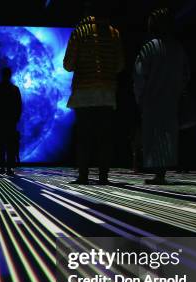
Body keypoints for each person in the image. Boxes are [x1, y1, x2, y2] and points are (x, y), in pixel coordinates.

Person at [63, 1, 124, 185]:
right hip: (106, 91)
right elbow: (120, 65)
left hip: (84, 92)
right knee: (105, 136)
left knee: (84, 136)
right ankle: (103, 176)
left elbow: (68, 65)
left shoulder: (79, 32)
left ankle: (83, 175)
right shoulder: (114, 33)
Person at [134, 8, 190, 184]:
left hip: (152, 100)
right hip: (171, 100)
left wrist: (140, 98)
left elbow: (139, 75)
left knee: (154, 135)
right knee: (167, 136)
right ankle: (162, 173)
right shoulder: (178, 48)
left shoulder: (150, 47)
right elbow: (186, 75)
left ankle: (158, 174)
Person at [0, 67, 22, 176]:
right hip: (10, 121)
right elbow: (19, 106)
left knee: (1, 144)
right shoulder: (15, 89)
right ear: (9, 75)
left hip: (1, 120)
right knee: (10, 144)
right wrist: (16, 118)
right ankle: (9, 168)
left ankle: (3, 167)